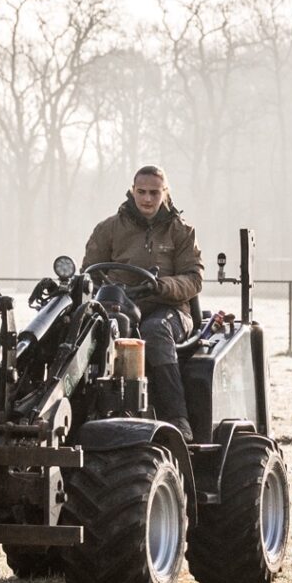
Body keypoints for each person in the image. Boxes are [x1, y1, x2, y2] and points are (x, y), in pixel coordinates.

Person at [82, 165, 203, 434]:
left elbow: (193, 279)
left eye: (154, 193)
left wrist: (161, 286)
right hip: (119, 306)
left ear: (165, 193)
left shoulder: (181, 232)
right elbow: (90, 273)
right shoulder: (109, 229)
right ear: (132, 191)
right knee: (87, 330)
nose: (147, 199)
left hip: (170, 310)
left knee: (154, 331)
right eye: (142, 192)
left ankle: (177, 418)